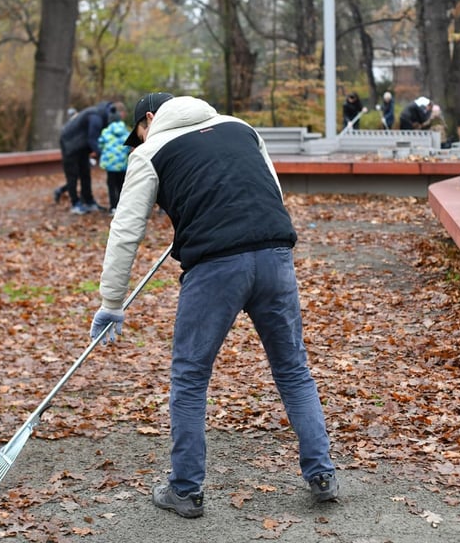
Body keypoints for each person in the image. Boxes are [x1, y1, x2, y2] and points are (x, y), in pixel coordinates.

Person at [89, 92, 338, 518]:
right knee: (293, 368)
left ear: (149, 118)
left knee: (190, 377)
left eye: (139, 131)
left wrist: (111, 301)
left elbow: (126, 230)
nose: (140, 138)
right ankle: (322, 474)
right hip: (275, 255)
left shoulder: (150, 152)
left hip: (216, 269)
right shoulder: (241, 128)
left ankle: (185, 490)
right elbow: (269, 191)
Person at [54, 102, 120, 214]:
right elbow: (93, 139)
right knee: (72, 175)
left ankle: (88, 201)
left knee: (85, 173)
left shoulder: (99, 115)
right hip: (69, 145)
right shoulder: (95, 117)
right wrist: (104, 156)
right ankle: (75, 204)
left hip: (82, 147)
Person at [97, 103, 130, 214]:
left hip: (110, 166)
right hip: (122, 165)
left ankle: (113, 207)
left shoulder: (105, 132)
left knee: (111, 186)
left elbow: (100, 144)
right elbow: (129, 146)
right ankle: (122, 207)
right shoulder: (125, 132)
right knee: (121, 185)